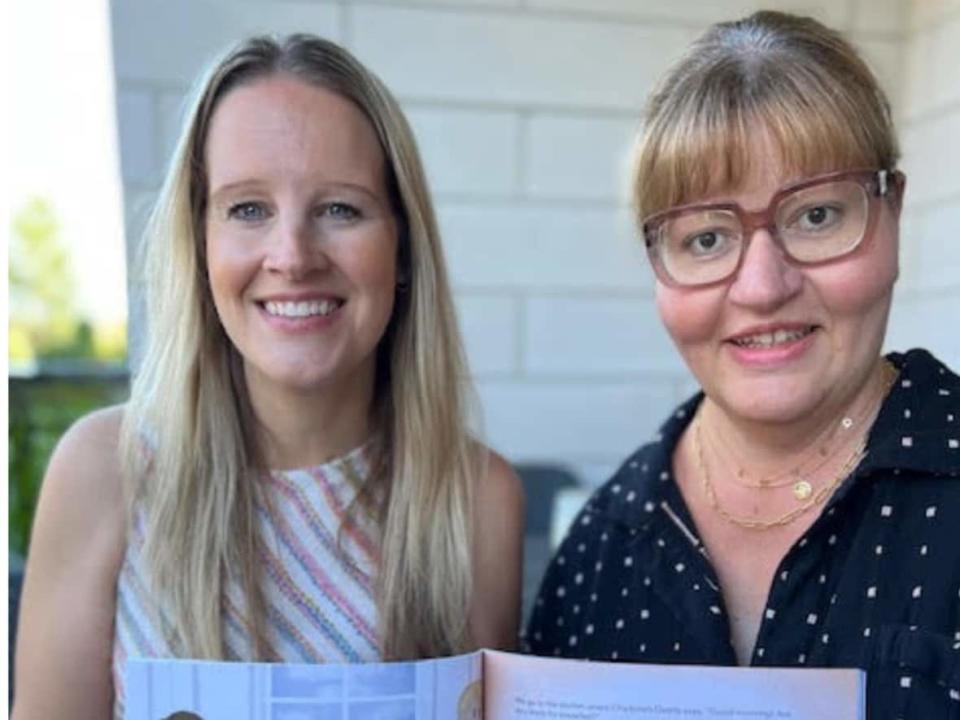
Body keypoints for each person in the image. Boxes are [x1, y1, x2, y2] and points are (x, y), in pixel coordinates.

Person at [13, 34, 524, 720]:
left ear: (401, 247)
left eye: (340, 208)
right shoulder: (104, 470)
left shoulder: (476, 498)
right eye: (248, 208)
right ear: (199, 244)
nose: (292, 255)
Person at [526, 11, 959, 718]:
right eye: (705, 237)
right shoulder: (601, 548)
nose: (762, 287)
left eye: (816, 216)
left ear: (893, 211)